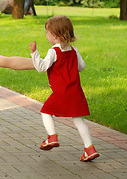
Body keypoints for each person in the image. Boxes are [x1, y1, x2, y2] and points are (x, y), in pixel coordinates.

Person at [29, 15, 100, 162]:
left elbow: (41, 68)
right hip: (76, 92)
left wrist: (34, 53)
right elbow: (82, 67)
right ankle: (89, 148)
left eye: (47, 33)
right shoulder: (74, 50)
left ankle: (52, 137)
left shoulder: (54, 51)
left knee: (45, 112)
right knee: (79, 120)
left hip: (61, 92)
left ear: (54, 35)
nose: (46, 36)